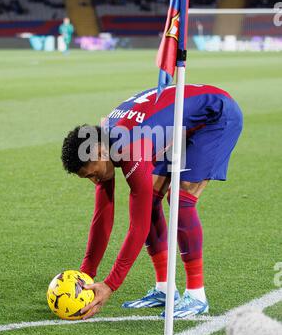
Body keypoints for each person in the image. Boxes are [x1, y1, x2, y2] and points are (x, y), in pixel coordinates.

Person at [61, 84, 243, 320]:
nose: (94, 180)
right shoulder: (104, 143)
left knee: (181, 198)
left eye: (92, 173)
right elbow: (102, 217)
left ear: (98, 152)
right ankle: (165, 289)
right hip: (179, 124)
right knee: (151, 200)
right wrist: (84, 277)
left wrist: (110, 284)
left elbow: (139, 227)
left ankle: (197, 296)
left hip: (216, 116)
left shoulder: (129, 148)